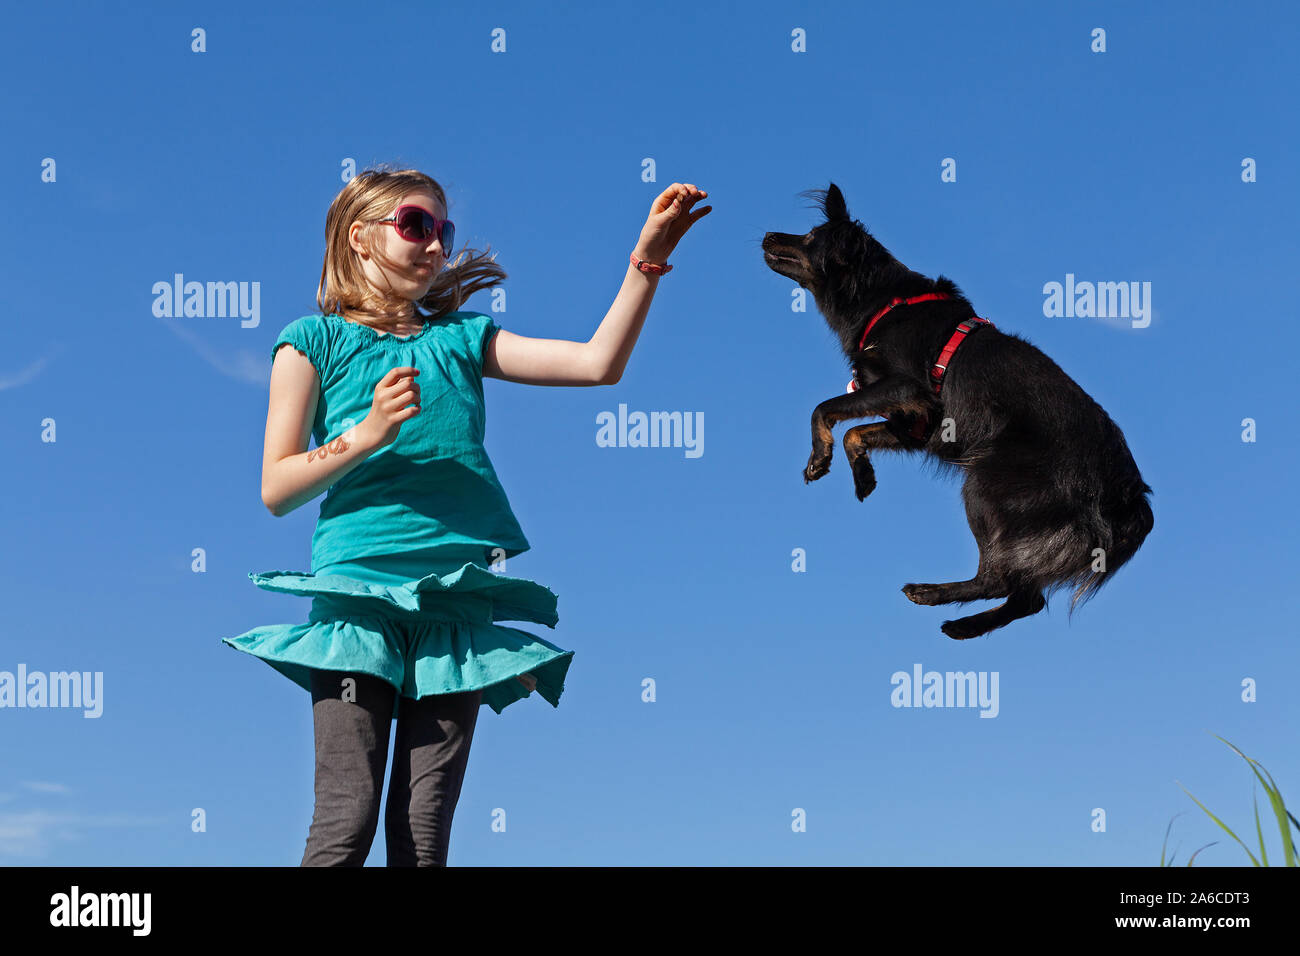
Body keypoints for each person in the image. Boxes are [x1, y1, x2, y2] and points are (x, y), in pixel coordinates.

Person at [222, 165, 710, 866]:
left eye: (443, 231)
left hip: (455, 602)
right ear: (360, 238)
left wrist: (648, 258)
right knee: (347, 817)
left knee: (422, 835)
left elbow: (599, 364)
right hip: (359, 599)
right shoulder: (311, 342)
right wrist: (364, 436)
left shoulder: (461, 340)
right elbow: (276, 486)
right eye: (416, 225)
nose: (434, 245)